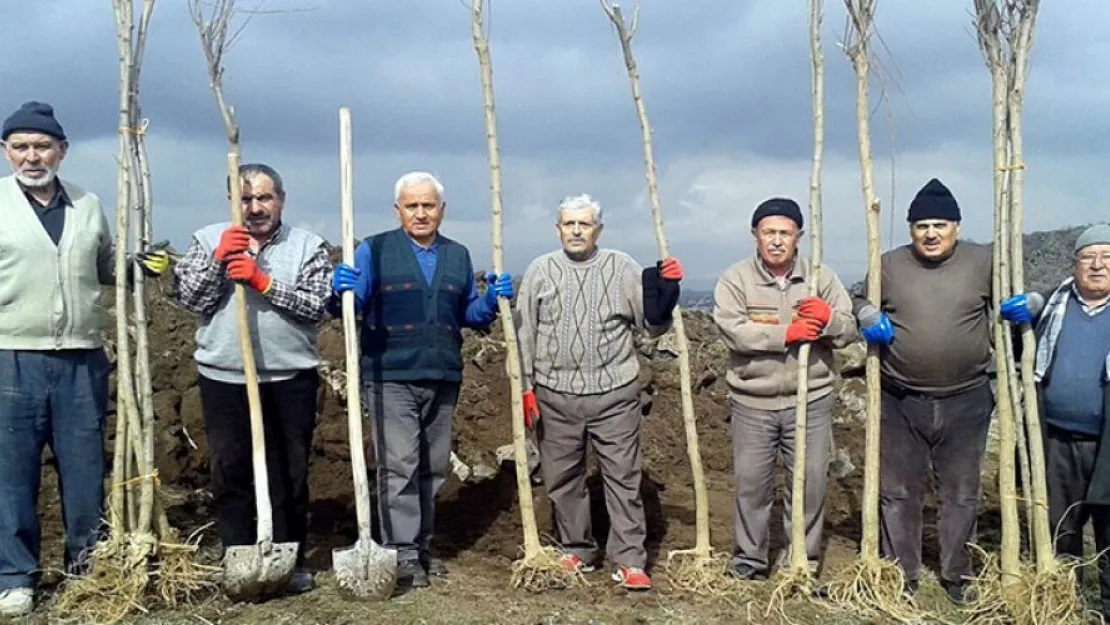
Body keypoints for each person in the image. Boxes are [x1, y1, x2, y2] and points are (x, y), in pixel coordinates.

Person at [0, 101, 168, 617]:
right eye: (22, 146)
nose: (33, 156)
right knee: (12, 473)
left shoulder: (88, 204)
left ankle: (86, 568)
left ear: (62, 151)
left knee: (83, 468)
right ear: (6, 152)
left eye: (43, 146)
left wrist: (139, 267)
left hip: (81, 358)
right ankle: (14, 576)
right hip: (11, 356)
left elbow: (104, 269)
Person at [330, 171, 513, 591]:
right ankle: (401, 552)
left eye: (428, 205)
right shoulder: (374, 250)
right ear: (398, 210)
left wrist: (490, 300)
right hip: (390, 374)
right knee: (400, 465)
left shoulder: (458, 256)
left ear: (441, 210)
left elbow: (467, 314)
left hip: (443, 374)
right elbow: (350, 306)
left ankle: (422, 546)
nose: (421, 213)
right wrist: (341, 291)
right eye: (412, 205)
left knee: (432, 467)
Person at [173, 163, 331, 596]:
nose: (256, 207)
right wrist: (220, 259)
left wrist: (263, 281)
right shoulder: (207, 240)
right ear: (231, 202)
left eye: (265, 198)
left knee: (289, 471)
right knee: (232, 469)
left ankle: (290, 558)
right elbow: (191, 299)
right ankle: (239, 554)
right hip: (226, 376)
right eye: (246, 199)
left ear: (281, 199)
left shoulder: (308, 246)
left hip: (288, 375)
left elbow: (316, 306)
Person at [512, 193, 681, 591]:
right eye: (569, 224)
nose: (575, 231)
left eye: (584, 224)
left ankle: (629, 560)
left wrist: (667, 294)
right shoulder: (540, 271)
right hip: (555, 395)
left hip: (614, 394)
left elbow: (652, 326)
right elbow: (523, 336)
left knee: (623, 476)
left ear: (598, 230)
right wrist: (525, 388)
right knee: (562, 476)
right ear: (558, 229)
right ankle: (577, 549)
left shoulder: (622, 267)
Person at [853, 178, 994, 603]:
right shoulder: (890, 265)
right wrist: (866, 313)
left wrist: (1030, 305)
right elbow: (858, 298)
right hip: (900, 397)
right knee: (898, 490)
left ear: (957, 226)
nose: (930, 233)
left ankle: (957, 574)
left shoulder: (983, 261)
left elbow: (1012, 303)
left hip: (967, 398)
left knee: (961, 491)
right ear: (910, 230)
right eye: (921, 226)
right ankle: (903, 572)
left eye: (940, 224)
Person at [712, 197, 857, 581]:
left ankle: (802, 564)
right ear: (755, 236)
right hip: (752, 402)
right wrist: (785, 334)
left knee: (809, 486)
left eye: (785, 233)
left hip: (810, 400)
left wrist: (827, 322)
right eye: (769, 233)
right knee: (751, 487)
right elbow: (734, 331)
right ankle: (749, 562)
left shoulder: (820, 278)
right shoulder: (736, 279)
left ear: (799, 237)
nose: (776, 240)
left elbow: (849, 327)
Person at [1000, 223, 1110, 619]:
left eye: (1107, 258)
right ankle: (1065, 603)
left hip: (1108, 446)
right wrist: (1020, 320)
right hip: (1056, 439)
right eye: (1088, 258)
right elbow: (1014, 351)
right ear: (1075, 264)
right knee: (1060, 527)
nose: (1097, 266)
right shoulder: (1052, 305)